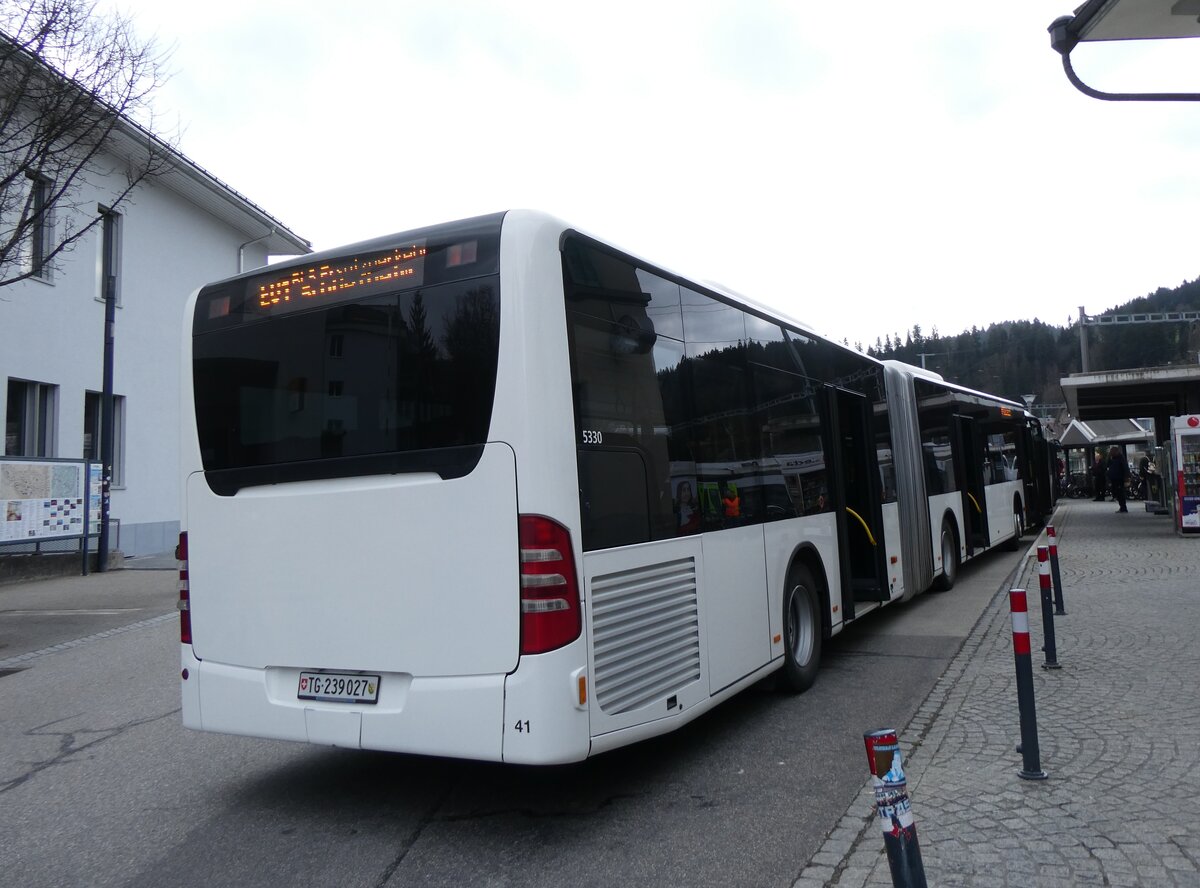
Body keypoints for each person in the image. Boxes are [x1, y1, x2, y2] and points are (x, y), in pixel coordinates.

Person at [1107, 445, 1129, 513]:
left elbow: (1125, 468)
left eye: (1111, 451)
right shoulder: (1113, 459)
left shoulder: (1120, 458)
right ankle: (1122, 506)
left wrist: (1126, 478)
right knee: (1118, 492)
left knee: (1120, 493)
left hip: (1119, 478)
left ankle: (1123, 507)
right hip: (1115, 478)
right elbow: (1108, 465)